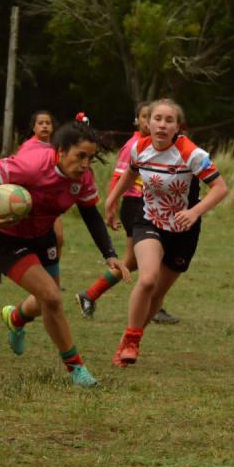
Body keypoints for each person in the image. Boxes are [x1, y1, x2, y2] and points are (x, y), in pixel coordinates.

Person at [0, 120, 129, 387]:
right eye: (80, 156)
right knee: (52, 299)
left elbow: (90, 214)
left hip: (43, 238)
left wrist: (109, 253)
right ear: (61, 151)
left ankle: (16, 318)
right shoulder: (31, 166)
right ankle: (76, 368)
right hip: (8, 241)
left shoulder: (83, 178)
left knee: (46, 302)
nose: (86, 164)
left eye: (91, 157)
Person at [105, 98, 227, 367]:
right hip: (148, 221)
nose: (161, 125)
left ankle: (130, 339)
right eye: (156, 118)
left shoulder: (192, 154)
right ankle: (132, 341)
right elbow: (130, 173)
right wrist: (111, 200)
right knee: (147, 279)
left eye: (168, 120)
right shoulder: (140, 148)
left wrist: (194, 212)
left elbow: (220, 188)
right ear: (147, 122)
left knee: (158, 292)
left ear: (177, 127)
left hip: (184, 230)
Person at [76, 102, 180, 323]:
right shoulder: (134, 145)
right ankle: (154, 305)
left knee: (133, 261)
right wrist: (111, 206)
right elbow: (119, 176)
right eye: (145, 117)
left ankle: (91, 294)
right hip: (135, 204)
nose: (148, 121)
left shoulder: (158, 146)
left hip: (151, 206)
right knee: (149, 259)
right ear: (139, 121)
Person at [0, 110, 63, 284]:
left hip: (48, 202)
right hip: (29, 202)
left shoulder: (55, 147)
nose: (45, 126)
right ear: (34, 127)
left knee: (58, 238)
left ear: (53, 127)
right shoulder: (28, 147)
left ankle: (51, 276)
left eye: (48, 123)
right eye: (41, 123)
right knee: (36, 237)